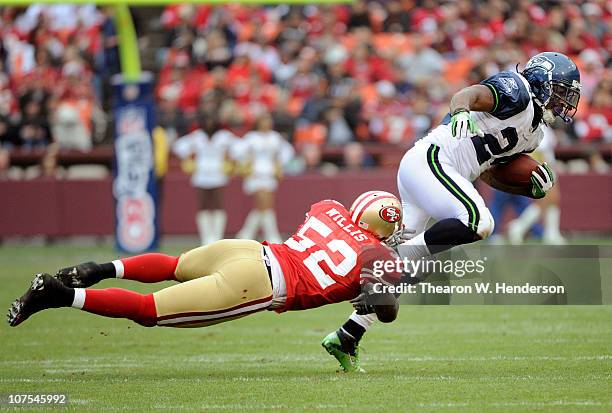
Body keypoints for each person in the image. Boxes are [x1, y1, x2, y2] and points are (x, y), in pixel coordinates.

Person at [322, 52, 582, 372]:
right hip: (432, 161)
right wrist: (460, 112)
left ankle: (347, 335)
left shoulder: (535, 134)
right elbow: (466, 94)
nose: (563, 101)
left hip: (439, 172)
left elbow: (488, 171)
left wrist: (527, 186)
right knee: (478, 221)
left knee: (411, 270)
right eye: (560, 90)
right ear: (542, 81)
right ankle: (390, 258)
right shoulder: (517, 90)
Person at [7, 192, 403, 357]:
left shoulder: (329, 208)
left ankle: (100, 268)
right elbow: (384, 311)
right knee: (149, 310)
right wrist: (385, 288)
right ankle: (60, 295)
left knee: (174, 266)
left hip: (247, 250)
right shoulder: (378, 253)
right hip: (262, 283)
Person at [172, 118, 235, 245]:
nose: (209, 123)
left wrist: (230, 159)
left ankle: (217, 236)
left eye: (211, 121)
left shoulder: (224, 136)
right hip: (201, 174)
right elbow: (178, 147)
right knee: (203, 205)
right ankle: (206, 237)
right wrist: (189, 159)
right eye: (207, 121)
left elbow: (240, 148)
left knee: (218, 204)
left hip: (218, 173)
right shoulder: (197, 136)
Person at [233, 114, 294, 243]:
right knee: (265, 204)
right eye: (264, 120)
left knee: (261, 207)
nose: (267, 123)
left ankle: (246, 234)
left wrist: (278, 163)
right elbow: (236, 151)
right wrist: (247, 162)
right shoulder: (251, 137)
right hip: (255, 175)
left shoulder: (275, 137)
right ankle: (272, 236)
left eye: (269, 120)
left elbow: (288, 151)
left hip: (270, 175)